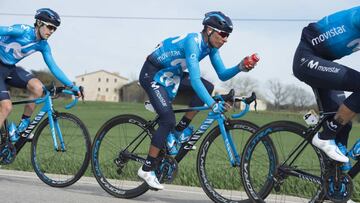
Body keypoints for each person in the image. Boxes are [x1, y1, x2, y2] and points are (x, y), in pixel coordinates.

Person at [138, 11, 259, 190]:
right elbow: (194, 80)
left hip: (173, 75)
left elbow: (223, 74)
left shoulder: (211, 47)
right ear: (210, 30)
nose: (226, 39)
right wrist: (212, 104)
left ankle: (179, 131)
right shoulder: (193, 43)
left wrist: (240, 67)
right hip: (153, 74)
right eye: (223, 34)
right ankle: (146, 169)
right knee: (167, 119)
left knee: (208, 86)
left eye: (228, 36)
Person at [293, 6, 360, 166]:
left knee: (344, 125)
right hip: (307, 59)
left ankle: (334, 184)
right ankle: (325, 137)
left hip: (324, 62)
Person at [0, 8, 81, 136]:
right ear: (39, 23)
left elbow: (53, 67)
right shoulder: (22, 30)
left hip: (9, 68)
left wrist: (71, 85)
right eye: (49, 27)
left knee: (38, 88)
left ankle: (23, 126)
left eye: (54, 29)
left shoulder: (43, 45)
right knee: (6, 107)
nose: (52, 31)